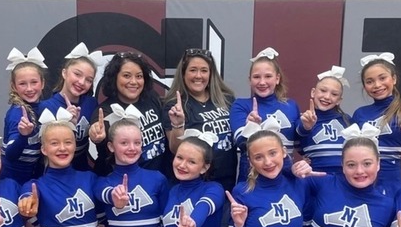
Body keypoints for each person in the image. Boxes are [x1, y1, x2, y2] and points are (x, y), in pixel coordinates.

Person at [351, 53, 401, 195]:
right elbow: (347, 149)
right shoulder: (359, 114)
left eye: (382, 78)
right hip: (361, 179)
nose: (377, 85)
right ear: (364, 86)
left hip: (390, 182)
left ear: (394, 79)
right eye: (369, 81)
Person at [163, 48, 237, 191]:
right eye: (193, 70)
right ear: (183, 73)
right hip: (195, 185)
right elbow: (176, 149)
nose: (198, 76)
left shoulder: (227, 99)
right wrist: (178, 124)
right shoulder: (174, 105)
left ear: (211, 74)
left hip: (227, 181)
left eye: (204, 70)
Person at [89, 51, 168, 176]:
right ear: (114, 78)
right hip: (122, 183)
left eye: (139, 76)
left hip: (158, 179)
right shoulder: (105, 112)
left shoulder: (152, 98)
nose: (134, 82)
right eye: (126, 76)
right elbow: (101, 144)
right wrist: (98, 138)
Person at [230, 47, 300, 183]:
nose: (262, 82)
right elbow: (242, 144)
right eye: (256, 77)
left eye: (268, 76)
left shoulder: (291, 106)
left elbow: (300, 144)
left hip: (286, 179)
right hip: (252, 181)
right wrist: (251, 128)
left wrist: (307, 127)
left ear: (277, 78)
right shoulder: (241, 105)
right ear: (250, 80)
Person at [40, 43, 103, 171]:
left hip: (82, 172)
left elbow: (97, 138)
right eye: (77, 74)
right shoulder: (46, 107)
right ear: (64, 73)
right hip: (54, 173)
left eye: (89, 80)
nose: (82, 82)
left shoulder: (91, 103)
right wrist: (67, 124)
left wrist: (97, 136)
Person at [1, 46, 46, 185]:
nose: (29, 89)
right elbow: (10, 155)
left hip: (32, 179)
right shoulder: (17, 113)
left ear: (42, 83)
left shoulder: (45, 108)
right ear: (14, 86)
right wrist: (23, 136)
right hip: (12, 182)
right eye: (22, 84)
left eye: (34, 82)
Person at [295, 66, 352, 175]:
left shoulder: (347, 120)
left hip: (344, 177)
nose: (327, 97)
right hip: (316, 177)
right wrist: (307, 127)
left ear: (339, 100)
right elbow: (298, 137)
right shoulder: (304, 119)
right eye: (323, 90)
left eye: (334, 94)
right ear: (313, 92)